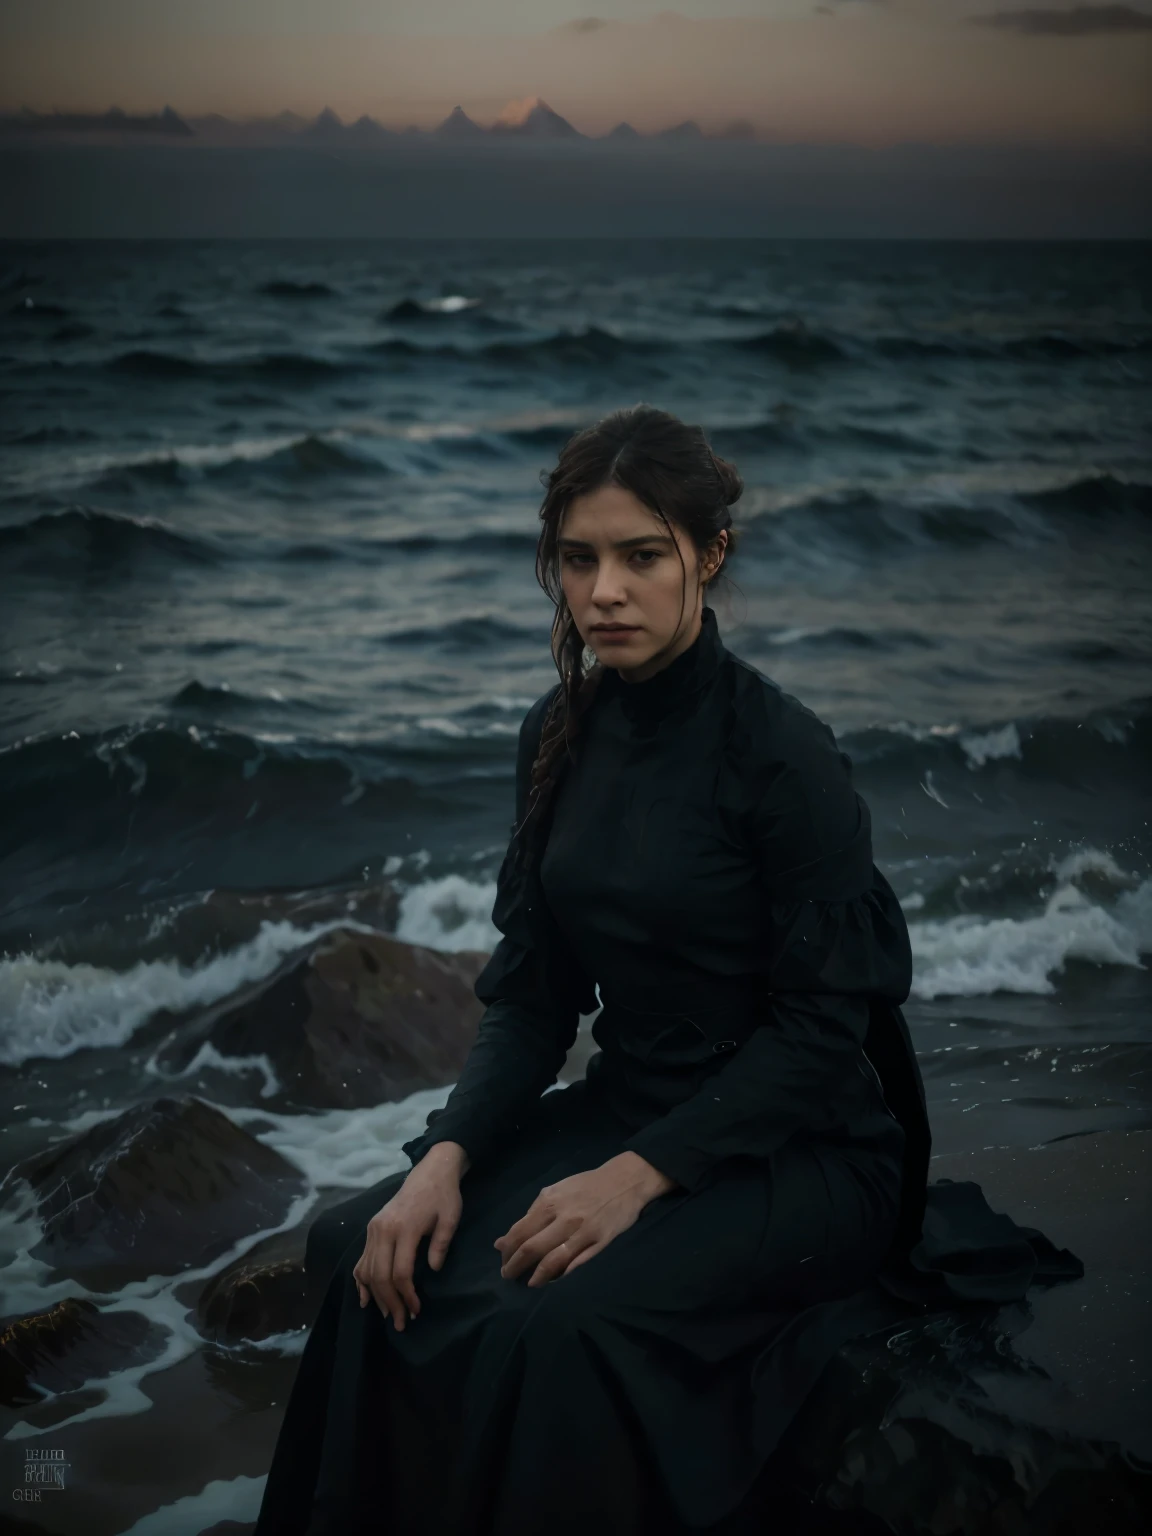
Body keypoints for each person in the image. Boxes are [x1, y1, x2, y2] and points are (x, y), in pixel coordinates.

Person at [253, 406, 1082, 1536]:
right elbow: (534, 997)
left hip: (809, 1150)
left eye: (642, 556)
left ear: (709, 555)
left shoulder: (784, 756)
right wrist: (444, 1157)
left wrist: (635, 1178)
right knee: (362, 1243)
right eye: (578, 559)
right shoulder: (557, 732)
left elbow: (822, 1032)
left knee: (561, 1324)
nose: (604, 593)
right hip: (632, 1109)